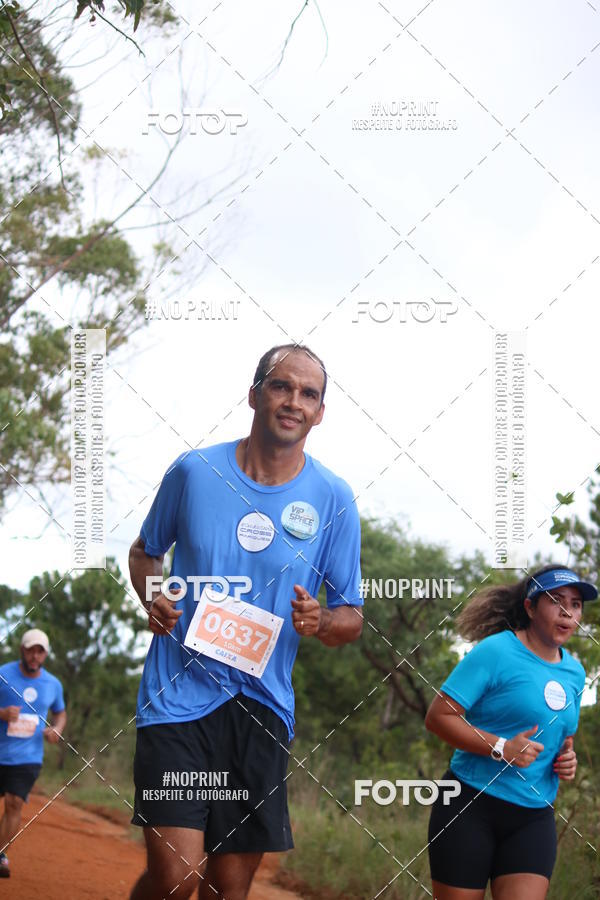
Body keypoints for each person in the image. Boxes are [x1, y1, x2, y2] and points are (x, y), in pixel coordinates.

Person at [128, 344, 364, 900]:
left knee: (226, 890)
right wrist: (154, 596)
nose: (294, 401)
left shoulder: (334, 498)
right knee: (177, 877)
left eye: (309, 394)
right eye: (282, 386)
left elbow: (352, 616)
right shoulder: (194, 471)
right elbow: (145, 552)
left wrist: (321, 621)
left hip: (262, 708)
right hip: (176, 698)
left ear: (320, 413)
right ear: (255, 395)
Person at [424, 564, 596, 900]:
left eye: (575, 604)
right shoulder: (496, 651)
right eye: (556, 601)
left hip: (533, 815)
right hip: (469, 802)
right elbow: (438, 717)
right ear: (530, 607)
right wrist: (501, 746)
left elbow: (564, 734)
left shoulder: (575, 673)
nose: (567, 612)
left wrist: (568, 758)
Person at [0, 628, 66, 878]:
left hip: (28, 756)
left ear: (45, 655)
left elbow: (60, 713)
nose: (35, 656)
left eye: (40, 651)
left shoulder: (53, 684)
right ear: (22, 650)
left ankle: (0, 854)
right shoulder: (3, 674)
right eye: (31, 650)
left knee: (14, 802)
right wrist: (2, 713)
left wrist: (57, 728)